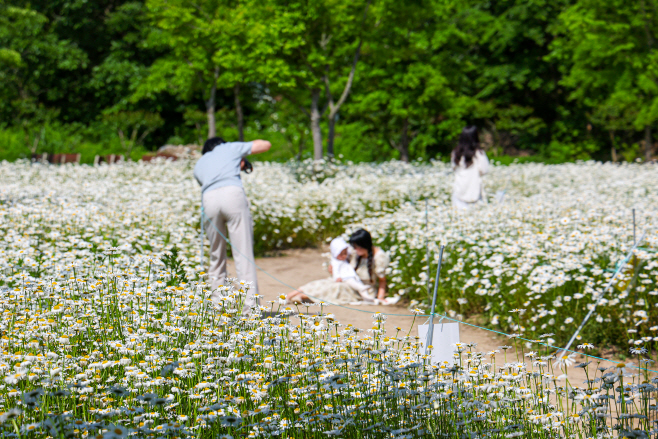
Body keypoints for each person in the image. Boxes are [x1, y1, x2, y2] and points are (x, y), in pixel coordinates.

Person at [194, 136, 271, 313]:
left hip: (209, 200)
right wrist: (241, 158)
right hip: (232, 194)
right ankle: (250, 309)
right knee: (243, 253)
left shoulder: (199, 163)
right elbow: (265, 144)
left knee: (216, 254)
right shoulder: (228, 148)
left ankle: (216, 306)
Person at [286, 229, 395, 305]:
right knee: (323, 283)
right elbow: (342, 264)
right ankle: (292, 295)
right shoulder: (354, 253)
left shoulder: (379, 257)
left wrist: (380, 297)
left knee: (334, 288)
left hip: (362, 288)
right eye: (354, 247)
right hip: (347, 280)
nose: (355, 250)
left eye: (357, 247)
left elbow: (382, 280)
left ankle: (300, 297)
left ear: (365, 245)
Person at [451, 126, 489, 210]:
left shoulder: (456, 153)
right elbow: (484, 170)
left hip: (459, 191)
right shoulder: (479, 154)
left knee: (459, 216)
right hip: (474, 190)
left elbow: (453, 167)